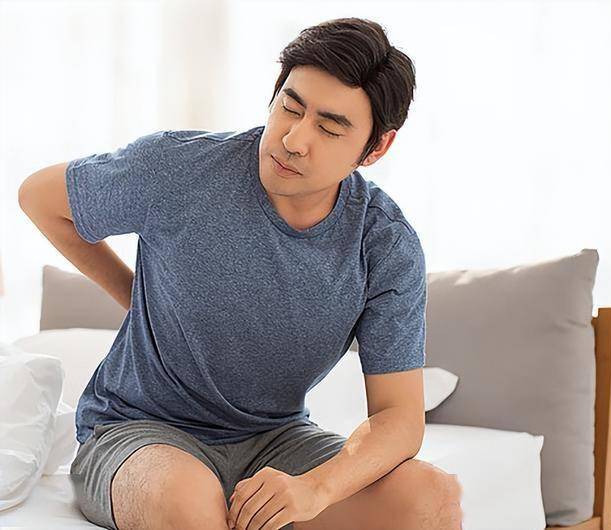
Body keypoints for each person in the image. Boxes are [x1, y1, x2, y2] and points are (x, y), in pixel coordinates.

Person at [19, 16, 462, 530]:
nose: (294, 139)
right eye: (290, 107)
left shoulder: (384, 243)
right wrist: (138, 296)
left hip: (277, 441)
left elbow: (398, 417)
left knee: (432, 497)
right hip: (139, 432)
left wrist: (316, 489)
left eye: (329, 127)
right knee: (189, 502)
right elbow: (39, 198)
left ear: (376, 147)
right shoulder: (179, 168)